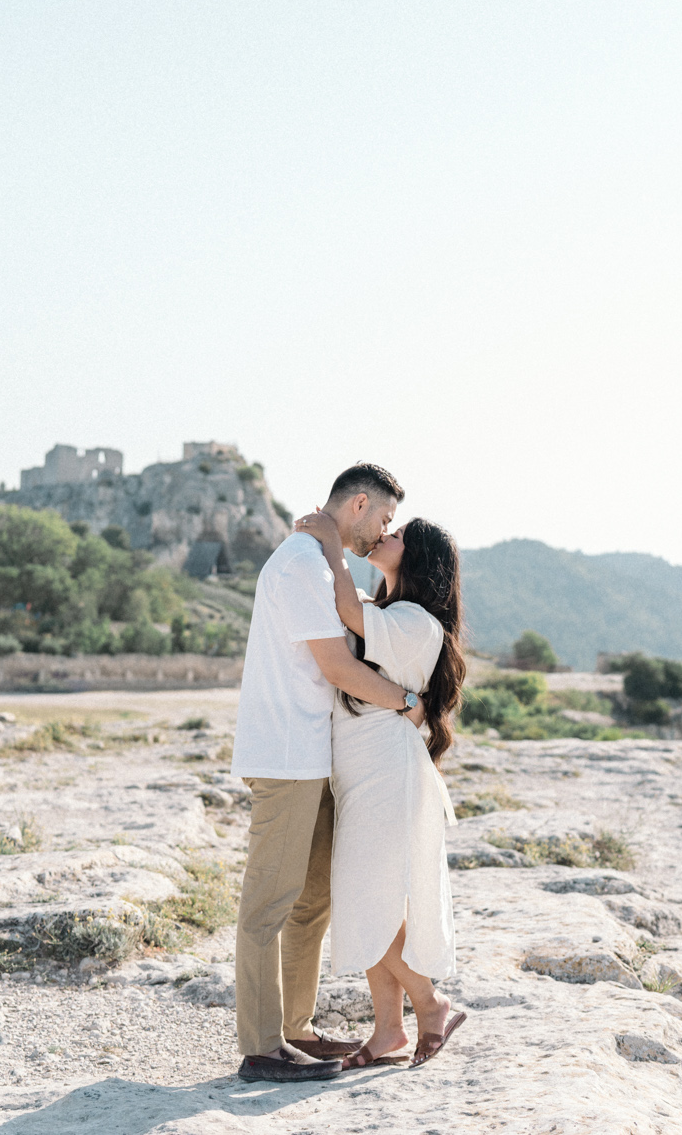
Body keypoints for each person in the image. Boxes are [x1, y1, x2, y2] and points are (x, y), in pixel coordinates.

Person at [230, 463, 413, 1083]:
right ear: (359, 504)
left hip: (313, 753)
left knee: (312, 900)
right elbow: (336, 667)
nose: (382, 531)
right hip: (285, 756)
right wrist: (407, 703)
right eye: (383, 519)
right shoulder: (301, 564)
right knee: (268, 904)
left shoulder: (318, 559)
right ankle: (259, 1049)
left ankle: (295, 1030)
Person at [294, 511, 469, 1069]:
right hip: (361, 767)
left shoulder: (419, 620)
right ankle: (388, 1030)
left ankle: (431, 1002)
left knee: (361, 895)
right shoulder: (388, 613)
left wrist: (328, 541)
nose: (384, 536)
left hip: (385, 768)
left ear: (417, 557)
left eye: (397, 535)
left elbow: (344, 609)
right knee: (374, 897)